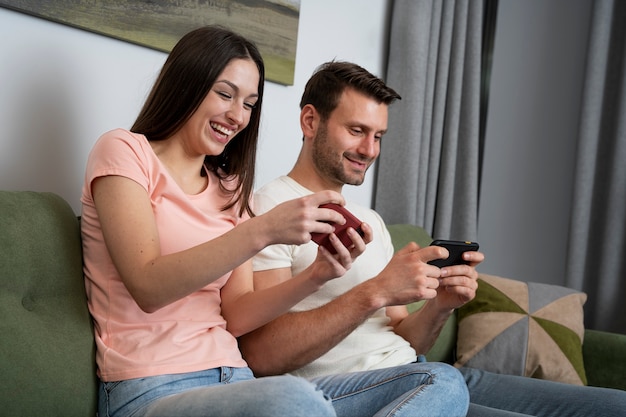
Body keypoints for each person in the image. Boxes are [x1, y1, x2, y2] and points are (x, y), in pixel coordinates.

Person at [239, 60, 626, 417]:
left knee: (613, 405)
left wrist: (441, 306)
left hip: (416, 377)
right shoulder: (271, 211)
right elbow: (264, 355)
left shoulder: (369, 219)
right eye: (356, 131)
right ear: (310, 121)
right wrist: (375, 291)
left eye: (378, 136)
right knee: (446, 380)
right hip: (350, 392)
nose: (369, 150)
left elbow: (406, 339)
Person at [80, 26, 365, 417]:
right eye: (225, 94)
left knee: (437, 380)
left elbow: (236, 314)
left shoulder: (229, 187)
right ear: (187, 83)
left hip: (235, 378)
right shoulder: (126, 152)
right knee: (296, 399)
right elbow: (147, 285)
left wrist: (317, 275)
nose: (238, 116)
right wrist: (261, 230)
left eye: (249, 104)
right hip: (151, 386)